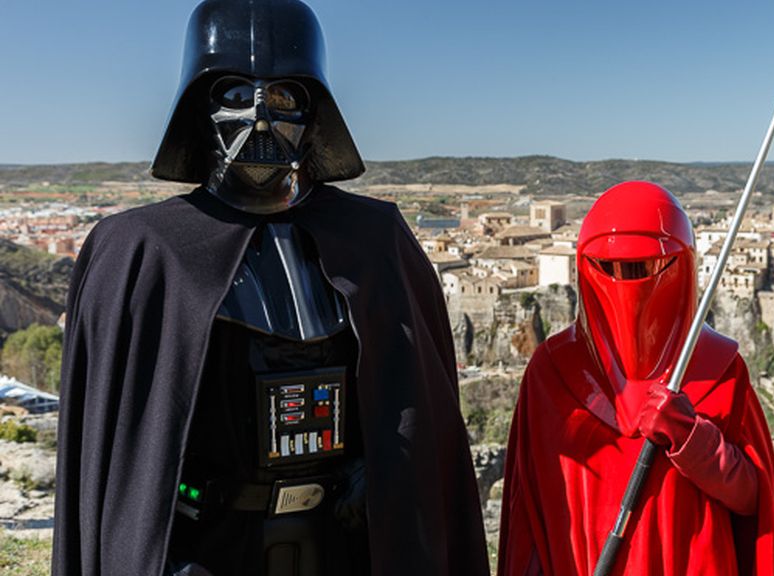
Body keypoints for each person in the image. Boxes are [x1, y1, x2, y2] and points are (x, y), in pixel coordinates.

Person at [52, 1, 489, 575]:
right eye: (235, 93)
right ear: (198, 107)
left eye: (283, 96)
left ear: (314, 111)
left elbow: (415, 409)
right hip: (207, 548)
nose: (260, 118)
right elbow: (126, 446)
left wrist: (382, 471)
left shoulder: (375, 239)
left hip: (345, 542)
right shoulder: (142, 250)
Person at [498, 181, 774, 575]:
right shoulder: (551, 373)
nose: (626, 282)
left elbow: (753, 501)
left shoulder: (719, 369)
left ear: (680, 266)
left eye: (647, 267)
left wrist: (693, 439)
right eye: (609, 268)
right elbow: (528, 515)